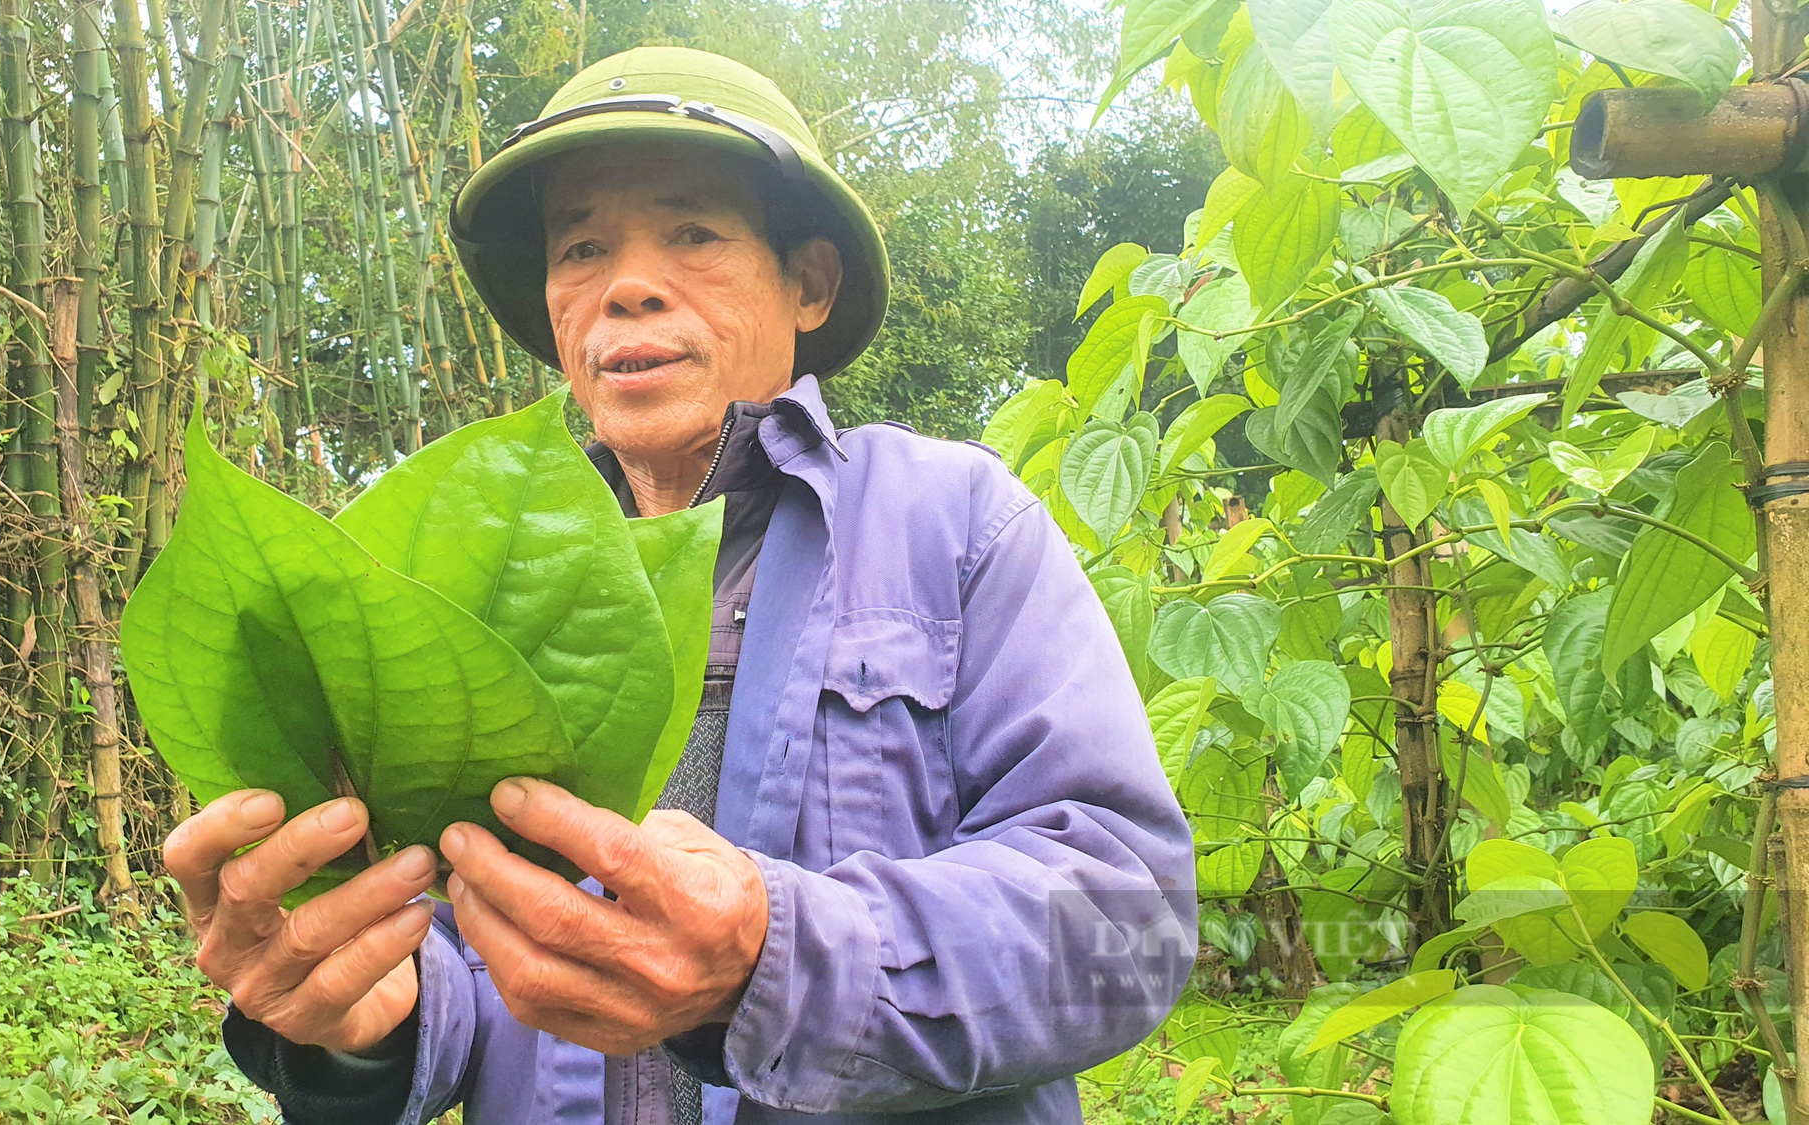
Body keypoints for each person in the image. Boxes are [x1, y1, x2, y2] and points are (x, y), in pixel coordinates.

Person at [162, 45, 1195, 1125]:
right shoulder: (468, 586)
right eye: (581, 247)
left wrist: (767, 953)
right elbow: (463, 963)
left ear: (808, 283)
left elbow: (1127, 917)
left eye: (692, 232)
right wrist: (365, 1020)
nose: (627, 284)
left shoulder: (955, 527)